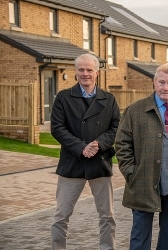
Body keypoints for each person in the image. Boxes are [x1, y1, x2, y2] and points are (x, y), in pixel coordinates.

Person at [115, 63, 168, 250]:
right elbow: (122, 145)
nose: (166, 87)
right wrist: (132, 173)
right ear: (154, 83)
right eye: (161, 82)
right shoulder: (135, 110)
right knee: (140, 237)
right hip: (144, 183)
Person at [50, 53, 120, 250]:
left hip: (100, 162)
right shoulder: (63, 97)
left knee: (107, 216)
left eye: (89, 70)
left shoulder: (109, 99)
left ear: (97, 72)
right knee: (61, 216)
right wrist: (81, 147)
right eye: (81, 69)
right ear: (76, 71)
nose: (85, 73)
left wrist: (98, 144)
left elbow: (117, 127)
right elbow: (57, 128)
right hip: (72, 164)